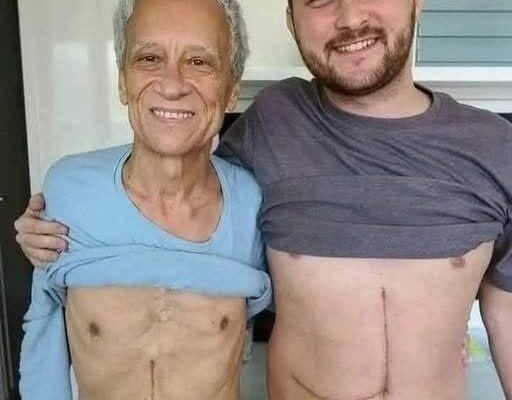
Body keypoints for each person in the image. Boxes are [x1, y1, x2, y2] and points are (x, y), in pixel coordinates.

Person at [16, 0, 512, 399]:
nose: (348, 16)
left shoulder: (495, 149)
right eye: (318, 0)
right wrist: (46, 224)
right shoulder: (274, 122)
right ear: (291, 19)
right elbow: (178, 169)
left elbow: (506, 316)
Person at [16, 0, 271, 399]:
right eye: (150, 58)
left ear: (231, 91)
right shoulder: (70, 191)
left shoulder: (253, 204)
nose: (172, 85)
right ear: (123, 81)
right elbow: (43, 327)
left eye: (199, 62)